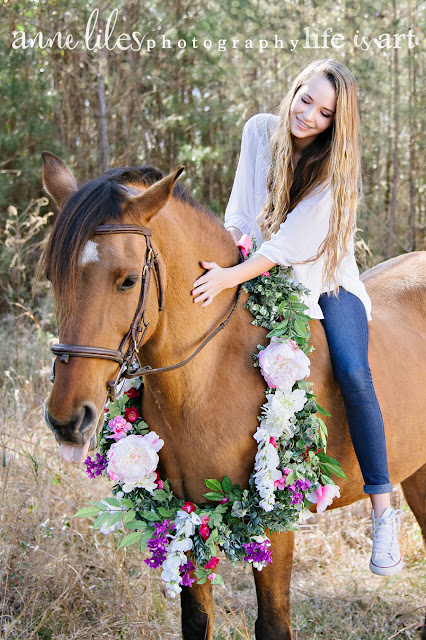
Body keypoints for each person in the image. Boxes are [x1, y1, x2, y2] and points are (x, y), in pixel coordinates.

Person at [191, 58, 403, 576]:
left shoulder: (336, 170)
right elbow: (240, 211)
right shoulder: (259, 131)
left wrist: (233, 276)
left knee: (353, 371)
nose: (308, 115)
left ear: (337, 123)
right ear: (293, 90)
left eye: (325, 112)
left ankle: (382, 509)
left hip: (322, 277)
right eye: (305, 99)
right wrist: (230, 261)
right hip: (256, 265)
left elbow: (292, 245)